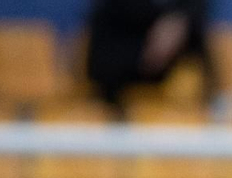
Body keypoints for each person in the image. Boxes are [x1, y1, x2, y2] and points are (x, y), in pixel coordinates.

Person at [86, 0, 215, 110]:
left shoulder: (191, 13)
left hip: (183, 114)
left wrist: (180, 21)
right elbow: (99, 67)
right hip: (118, 106)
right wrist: (146, 54)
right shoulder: (111, 10)